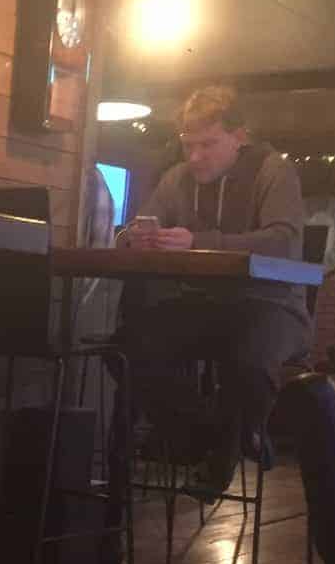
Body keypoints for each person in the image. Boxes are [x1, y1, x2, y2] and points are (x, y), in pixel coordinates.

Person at [114, 84, 310, 495]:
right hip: (204, 304)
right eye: (189, 145)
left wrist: (198, 242)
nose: (195, 157)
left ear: (239, 137)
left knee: (251, 361)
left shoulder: (273, 170)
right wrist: (134, 237)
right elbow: (138, 225)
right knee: (130, 346)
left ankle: (222, 448)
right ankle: (217, 436)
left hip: (273, 304)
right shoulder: (177, 179)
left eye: (208, 144)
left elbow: (283, 242)